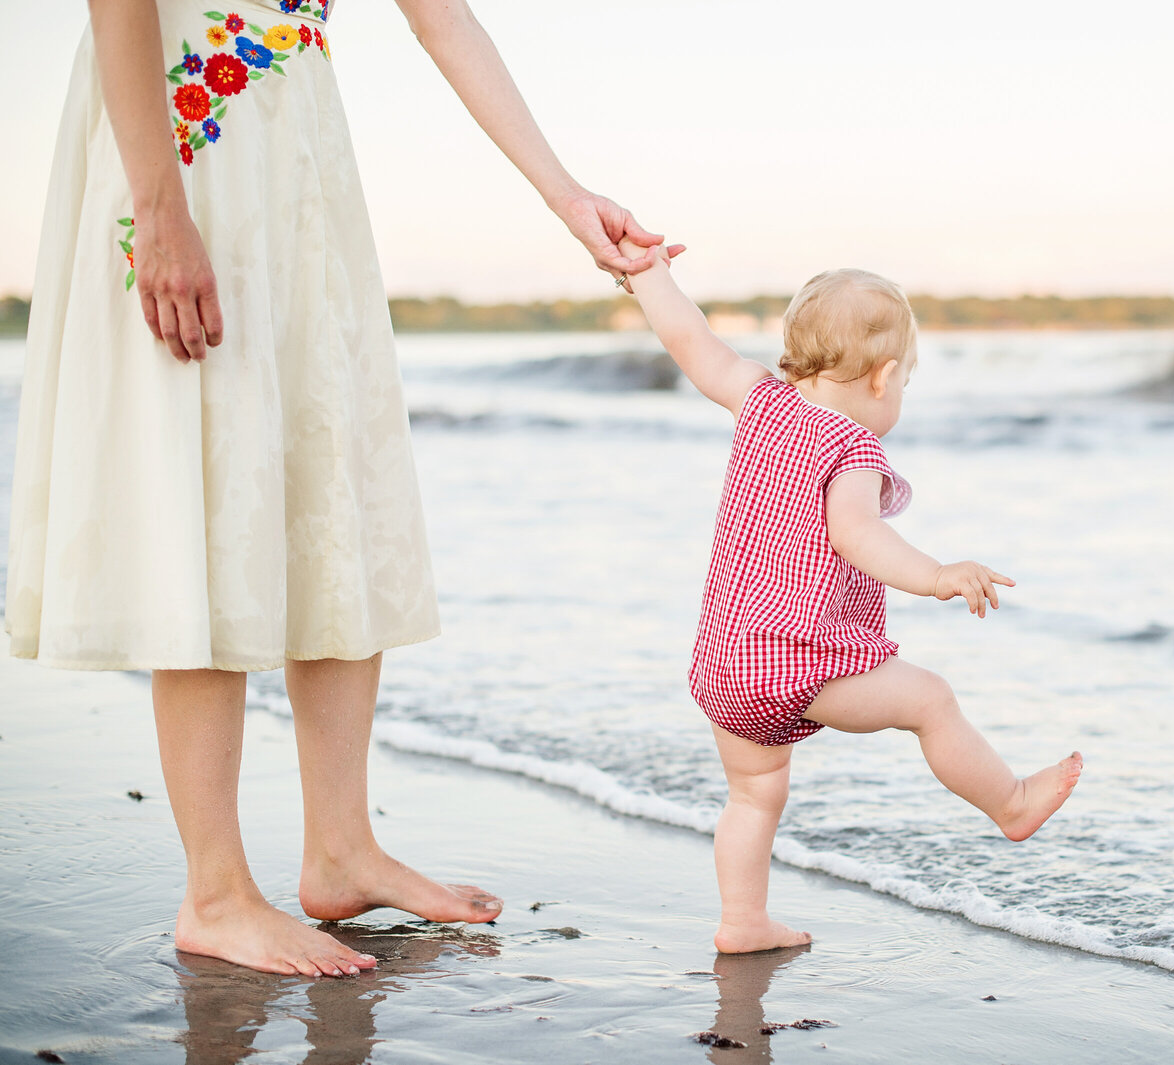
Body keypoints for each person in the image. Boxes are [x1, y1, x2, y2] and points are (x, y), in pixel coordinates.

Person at [5, 0, 676, 978]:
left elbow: (442, 17)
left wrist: (565, 197)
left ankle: (341, 847)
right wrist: (159, 208)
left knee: (333, 473)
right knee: (208, 471)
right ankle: (217, 893)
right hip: (184, 134)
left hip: (298, 143)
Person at [616, 241, 1085, 953]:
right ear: (884, 377)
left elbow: (690, 337)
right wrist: (935, 574)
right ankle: (1012, 802)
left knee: (753, 795)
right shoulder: (854, 448)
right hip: (799, 660)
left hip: (726, 662)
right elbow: (857, 533)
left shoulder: (758, 400)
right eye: (905, 384)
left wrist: (648, 274)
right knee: (931, 700)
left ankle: (743, 920)